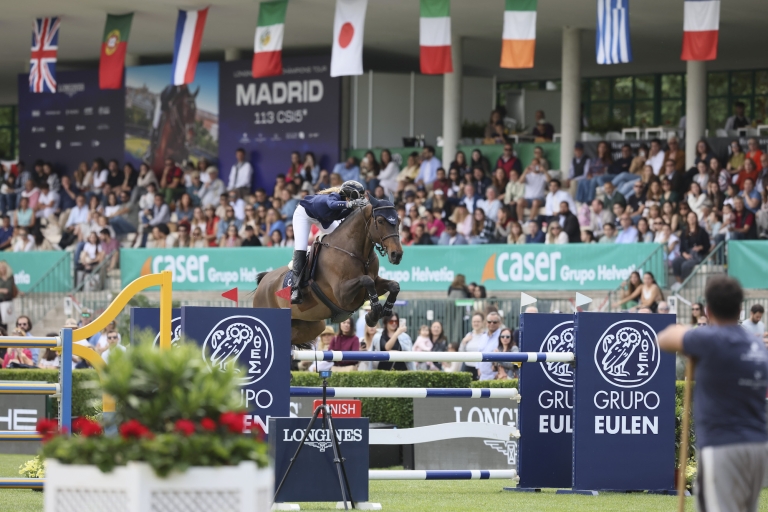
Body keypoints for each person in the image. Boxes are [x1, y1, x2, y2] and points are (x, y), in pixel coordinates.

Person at [658, 276, 768, 512]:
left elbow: (663, 339)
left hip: (722, 445)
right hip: (758, 447)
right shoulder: (756, 346)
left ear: (707, 310)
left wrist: (687, 334)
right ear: (740, 310)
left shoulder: (708, 338)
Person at [289, 181, 366, 304]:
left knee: (341, 240)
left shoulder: (344, 203)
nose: (357, 200)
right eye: (357, 197)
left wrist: (359, 207)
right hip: (303, 215)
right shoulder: (333, 197)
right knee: (301, 247)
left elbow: (342, 215)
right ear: (349, 195)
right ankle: (295, 289)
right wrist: (350, 204)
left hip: (322, 219)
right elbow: (332, 205)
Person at [671, 211, 711, 289]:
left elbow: (707, 245)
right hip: (687, 254)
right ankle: (679, 282)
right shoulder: (684, 232)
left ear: (696, 219)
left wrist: (700, 247)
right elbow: (681, 248)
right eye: (689, 217)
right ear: (687, 219)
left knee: (685, 265)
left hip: (697, 255)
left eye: (693, 217)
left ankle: (682, 282)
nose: (691, 219)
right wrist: (684, 254)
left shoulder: (702, 231)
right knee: (675, 262)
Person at [459, 312, 487, 380]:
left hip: (480, 368)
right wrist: (463, 341)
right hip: (467, 366)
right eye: (474, 321)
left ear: (482, 322)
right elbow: (461, 351)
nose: (476, 323)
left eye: (478, 321)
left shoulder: (486, 336)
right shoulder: (469, 335)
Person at [477, 312, 502, 381]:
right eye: (489, 322)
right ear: (486, 323)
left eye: (494, 322)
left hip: (496, 377)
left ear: (499, 323)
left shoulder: (503, 336)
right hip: (482, 376)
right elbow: (479, 353)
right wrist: (478, 368)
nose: (491, 324)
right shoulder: (483, 337)